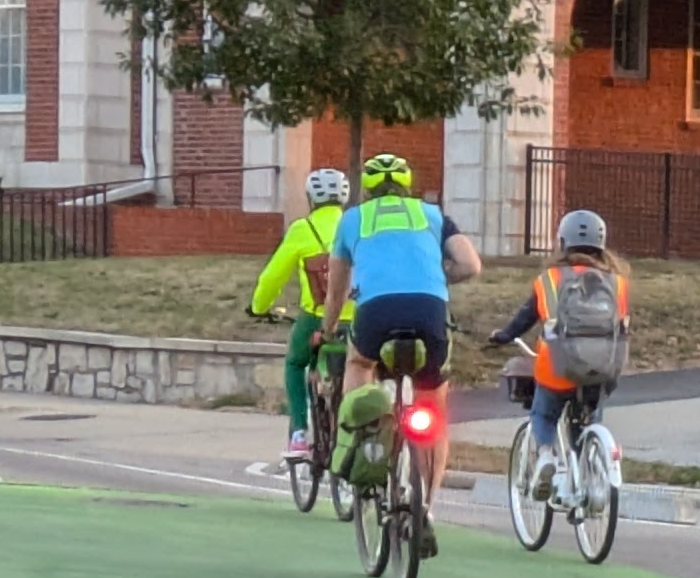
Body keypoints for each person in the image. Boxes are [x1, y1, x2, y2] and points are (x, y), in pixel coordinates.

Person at [326, 151, 484, 503]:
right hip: (429, 311)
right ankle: (426, 507)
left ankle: (360, 438)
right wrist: (436, 280)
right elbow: (471, 265)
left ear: (366, 190)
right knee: (433, 407)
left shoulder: (352, 219)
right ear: (406, 185)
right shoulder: (432, 214)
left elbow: (336, 288)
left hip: (375, 311)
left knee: (359, 364)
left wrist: (329, 326)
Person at [491, 208, 631, 476]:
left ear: (562, 243)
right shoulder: (618, 284)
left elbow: (526, 318)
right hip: (603, 370)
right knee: (589, 416)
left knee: (543, 413)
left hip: (558, 369)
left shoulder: (550, 280)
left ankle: (545, 455)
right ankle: (591, 466)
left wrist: (503, 336)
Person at [249, 164, 354, 460]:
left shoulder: (302, 229)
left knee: (296, 363)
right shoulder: (355, 225)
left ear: (311, 198)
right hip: (359, 318)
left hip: (316, 317)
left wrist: (258, 307)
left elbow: (272, 277)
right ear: (344, 198)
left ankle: (298, 433)